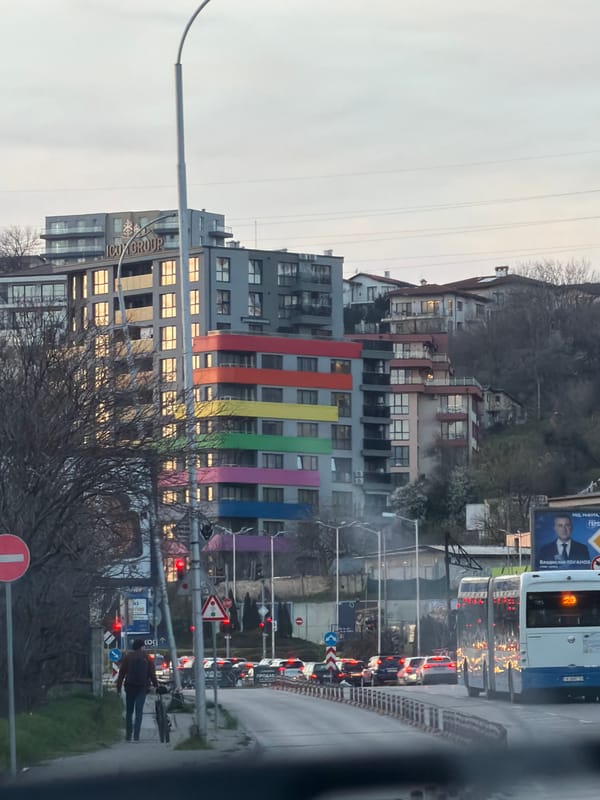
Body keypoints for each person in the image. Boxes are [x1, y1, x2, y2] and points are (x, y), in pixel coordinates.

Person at [116, 639, 158, 742]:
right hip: (142, 688)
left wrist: (118, 688)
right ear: (142, 647)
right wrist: (156, 686)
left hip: (130, 687)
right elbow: (152, 674)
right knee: (139, 712)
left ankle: (128, 736)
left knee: (129, 712)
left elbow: (121, 674)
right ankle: (136, 736)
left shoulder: (128, 658)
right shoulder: (147, 658)